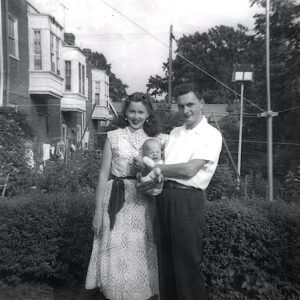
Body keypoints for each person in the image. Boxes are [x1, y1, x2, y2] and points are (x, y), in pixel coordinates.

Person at [138, 83, 222, 300]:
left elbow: (188, 170)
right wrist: (151, 181)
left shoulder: (211, 134)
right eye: (181, 106)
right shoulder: (174, 133)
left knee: (186, 265)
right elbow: (165, 168)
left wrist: (157, 168)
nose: (186, 111)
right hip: (164, 197)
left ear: (202, 104)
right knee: (165, 264)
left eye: (191, 104)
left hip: (187, 201)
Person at [85, 93, 166, 300]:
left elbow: (161, 172)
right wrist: (97, 212)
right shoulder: (114, 136)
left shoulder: (156, 140)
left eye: (141, 112)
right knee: (117, 249)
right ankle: (116, 294)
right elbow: (103, 175)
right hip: (115, 198)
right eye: (132, 111)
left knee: (139, 249)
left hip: (144, 201)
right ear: (125, 113)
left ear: (148, 114)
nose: (136, 116)